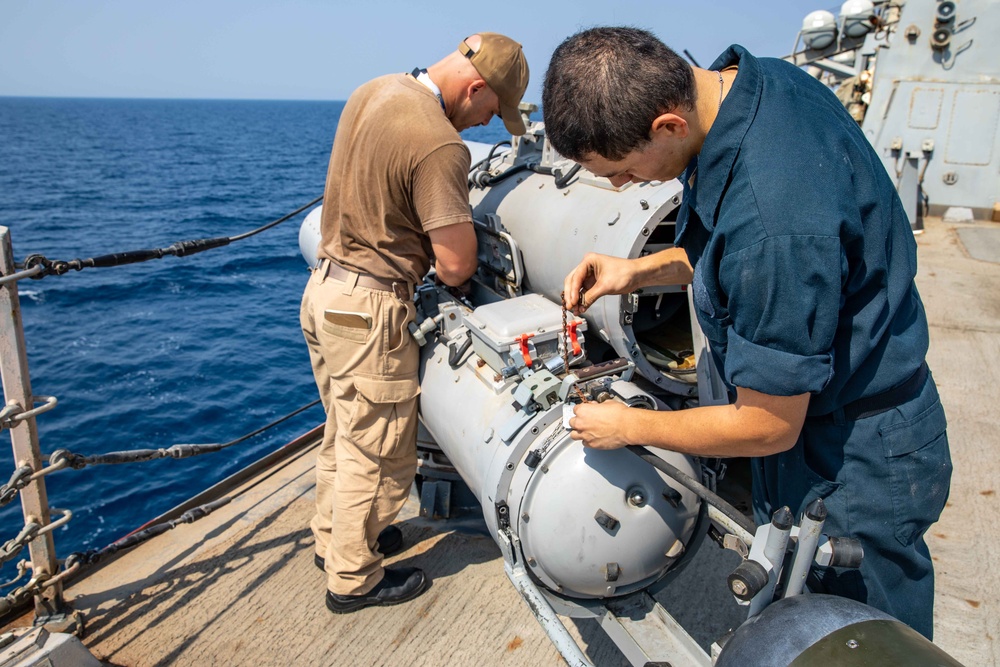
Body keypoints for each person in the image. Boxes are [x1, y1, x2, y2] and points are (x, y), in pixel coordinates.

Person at [543, 27, 950, 639]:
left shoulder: (775, 221)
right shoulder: (754, 85)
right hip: (827, 430)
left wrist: (629, 426)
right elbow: (727, 253)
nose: (626, 187)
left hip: (854, 463)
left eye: (625, 171)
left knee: (862, 641)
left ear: (669, 125)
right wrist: (638, 271)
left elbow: (768, 424)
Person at [300, 33, 529, 613]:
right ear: (475, 87)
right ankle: (354, 580)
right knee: (377, 452)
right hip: (372, 309)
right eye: (489, 111)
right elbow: (455, 264)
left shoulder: (375, 89)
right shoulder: (438, 143)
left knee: (345, 433)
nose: (482, 125)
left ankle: (337, 543)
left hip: (326, 290)